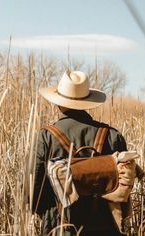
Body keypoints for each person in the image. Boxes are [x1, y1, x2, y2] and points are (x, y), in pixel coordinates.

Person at [32, 70, 138, 236]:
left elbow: (33, 189)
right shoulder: (112, 135)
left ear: (59, 102)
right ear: (88, 101)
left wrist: (46, 214)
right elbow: (124, 184)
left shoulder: (45, 137)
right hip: (106, 226)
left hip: (60, 226)